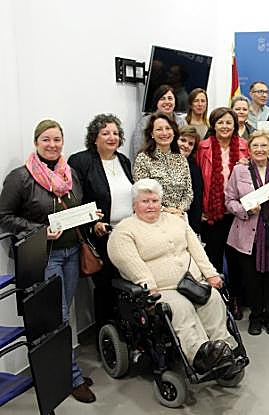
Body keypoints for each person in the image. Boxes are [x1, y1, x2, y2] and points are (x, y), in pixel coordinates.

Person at [0, 120, 96, 403]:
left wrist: (91, 217)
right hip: (45, 256)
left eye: (57, 139)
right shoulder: (21, 177)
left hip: (72, 253)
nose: (52, 145)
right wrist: (39, 230)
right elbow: (4, 216)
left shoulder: (70, 173)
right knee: (59, 318)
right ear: (36, 142)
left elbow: (76, 207)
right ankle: (72, 378)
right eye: (46, 139)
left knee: (63, 315)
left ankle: (61, 370)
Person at [107, 179, 237, 374]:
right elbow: (131, 264)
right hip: (162, 289)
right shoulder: (124, 231)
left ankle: (223, 348)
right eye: (145, 201)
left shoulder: (176, 221)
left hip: (192, 281)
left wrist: (210, 274)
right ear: (134, 204)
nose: (151, 206)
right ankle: (199, 355)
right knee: (181, 308)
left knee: (213, 298)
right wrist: (149, 287)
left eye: (154, 201)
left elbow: (197, 250)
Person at [68, 114, 133, 337]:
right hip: (100, 236)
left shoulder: (123, 160)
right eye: (105, 133)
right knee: (106, 287)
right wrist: (92, 220)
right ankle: (106, 335)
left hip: (126, 234)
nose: (111, 137)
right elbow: (76, 198)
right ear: (94, 138)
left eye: (115, 133)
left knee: (126, 284)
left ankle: (125, 332)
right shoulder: (81, 161)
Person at [225, 131, 269, 336]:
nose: (259, 149)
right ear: (249, 149)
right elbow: (229, 200)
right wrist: (245, 209)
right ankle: (255, 317)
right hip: (248, 233)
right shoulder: (239, 170)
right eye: (255, 146)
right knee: (252, 278)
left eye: (264, 145)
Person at [196, 107, 249, 319]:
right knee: (214, 260)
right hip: (212, 213)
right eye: (220, 122)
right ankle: (217, 302)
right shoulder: (203, 148)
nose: (225, 126)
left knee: (237, 262)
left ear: (235, 125)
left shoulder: (245, 147)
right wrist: (201, 210)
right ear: (213, 125)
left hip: (237, 213)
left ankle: (236, 299)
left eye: (229, 122)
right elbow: (198, 181)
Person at [132, 112, 193, 215]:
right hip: (152, 216)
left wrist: (179, 209)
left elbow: (188, 193)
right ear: (152, 134)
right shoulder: (143, 159)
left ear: (174, 132)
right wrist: (166, 211)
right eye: (159, 129)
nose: (164, 133)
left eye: (168, 128)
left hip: (178, 216)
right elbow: (143, 194)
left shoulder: (181, 159)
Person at [130, 84, 187, 162]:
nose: (167, 102)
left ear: (175, 101)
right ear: (156, 102)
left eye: (170, 98)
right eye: (162, 99)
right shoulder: (145, 122)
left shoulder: (182, 123)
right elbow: (138, 149)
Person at [177, 126, 203, 234]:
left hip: (185, 221)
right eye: (183, 140)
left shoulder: (194, 169)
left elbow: (196, 201)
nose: (186, 145)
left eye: (191, 144)